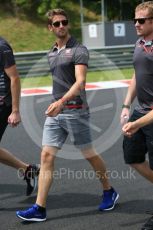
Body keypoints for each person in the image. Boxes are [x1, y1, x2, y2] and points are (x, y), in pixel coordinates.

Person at [16, 8, 119, 222]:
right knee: (46, 156)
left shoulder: (79, 49)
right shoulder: (52, 52)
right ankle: (39, 208)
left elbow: (80, 82)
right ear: (50, 27)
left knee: (89, 154)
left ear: (68, 24)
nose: (61, 26)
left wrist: (61, 103)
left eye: (64, 22)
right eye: (57, 23)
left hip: (75, 111)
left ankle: (109, 190)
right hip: (56, 113)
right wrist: (57, 105)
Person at [120, 1, 153, 230]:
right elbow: (136, 74)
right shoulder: (139, 43)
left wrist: (138, 123)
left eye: (141, 20)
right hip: (140, 111)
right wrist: (125, 104)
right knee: (132, 157)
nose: (136, 24)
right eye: (135, 20)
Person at [0, 36, 39, 196]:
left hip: (3, 104)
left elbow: (15, 78)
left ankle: (28, 170)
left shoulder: (2, 47)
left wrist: (15, 110)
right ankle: (28, 170)